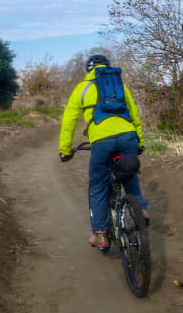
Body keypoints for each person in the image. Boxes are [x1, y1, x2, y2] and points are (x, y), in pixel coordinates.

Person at [59, 54, 149, 251]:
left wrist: (65, 150)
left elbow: (69, 122)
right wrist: (139, 142)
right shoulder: (120, 87)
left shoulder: (82, 89)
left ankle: (100, 234)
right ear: (107, 69)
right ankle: (141, 209)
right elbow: (134, 115)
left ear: (88, 70)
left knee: (98, 185)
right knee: (129, 172)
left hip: (102, 141)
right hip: (128, 137)